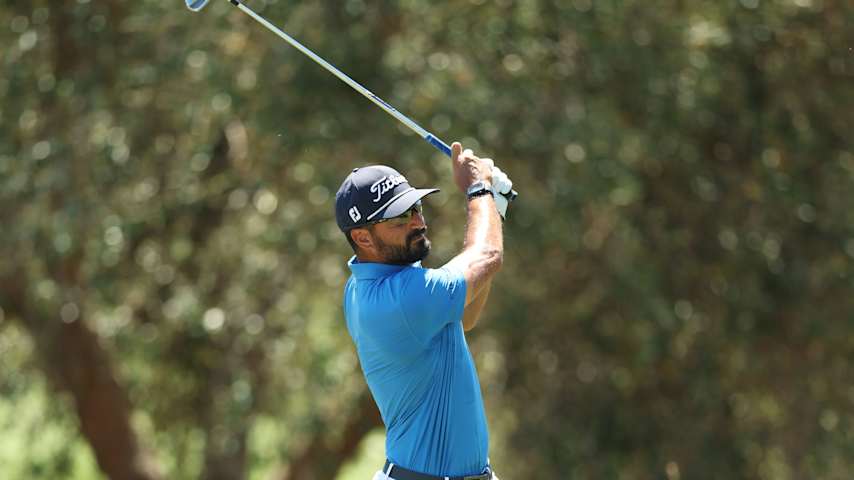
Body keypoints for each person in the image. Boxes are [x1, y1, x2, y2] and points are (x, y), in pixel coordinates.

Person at [334, 142, 514, 480]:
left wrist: (495, 208)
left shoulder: (373, 282)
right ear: (363, 237)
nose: (418, 222)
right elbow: (488, 255)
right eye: (400, 217)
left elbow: (465, 317)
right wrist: (479, 189)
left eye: (415, 207)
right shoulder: (399, 299)